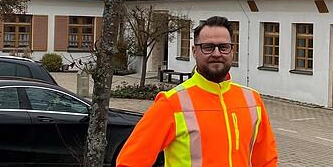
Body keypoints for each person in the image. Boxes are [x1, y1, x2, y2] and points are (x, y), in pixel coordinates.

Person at [117, 16, 278, 166]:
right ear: (195, 51)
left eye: (223, 47)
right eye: (208, 47)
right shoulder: (171, 103)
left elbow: (266, 160)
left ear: (232, 51)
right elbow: (129, 161)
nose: (216, 53)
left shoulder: (252, 100)